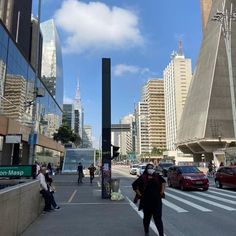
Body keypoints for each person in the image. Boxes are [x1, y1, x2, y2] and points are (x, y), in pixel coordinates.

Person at [132, 163, 166, 236]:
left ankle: (161, 234)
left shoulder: (157, 176)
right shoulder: (143, 177)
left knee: (158, 219)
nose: (151, 169)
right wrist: (139, 194)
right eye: (149, 168)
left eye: (152, 168)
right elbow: (134, 185)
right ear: (146, 169)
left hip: (156, 201)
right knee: (147, 218)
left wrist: (162, 192)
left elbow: (163, 182)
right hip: (146, 202)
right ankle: (146, 232)